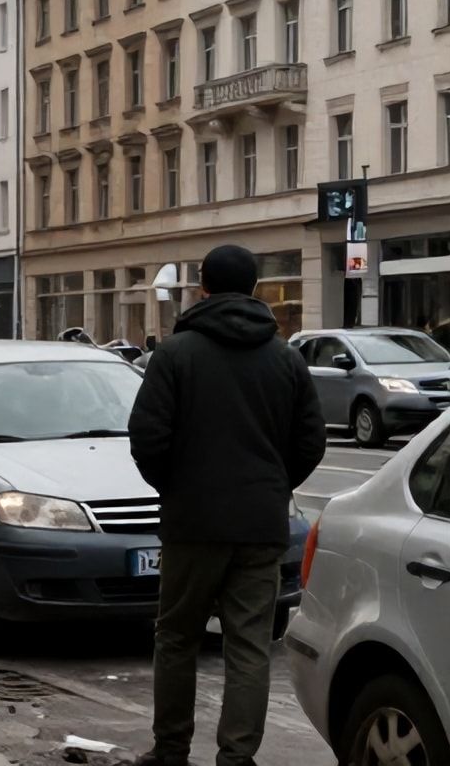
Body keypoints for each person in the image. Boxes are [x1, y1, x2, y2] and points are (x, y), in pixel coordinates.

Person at [127, 244, 326, 766]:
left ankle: (170, 750)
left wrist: (175, 487)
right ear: (256, 288)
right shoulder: (284, 357)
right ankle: (237, 758)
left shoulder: (175, 354)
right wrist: (275, 485)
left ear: (203, 287)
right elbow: (311, 441)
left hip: (191, 523)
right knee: (250, 645)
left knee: (176, 637)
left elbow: (147, 436)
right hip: (260, 525)